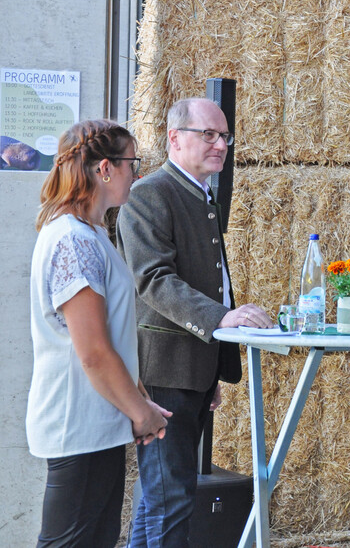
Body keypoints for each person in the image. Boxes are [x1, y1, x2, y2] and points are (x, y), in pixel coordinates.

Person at [117, 98, 275, 547]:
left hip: (192, 369)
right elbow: (153, 279)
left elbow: (212, 281)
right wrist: (223, 319)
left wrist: (215, 362)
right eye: (208, 134)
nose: (220, 145)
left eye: (224, 136)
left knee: (160, 498)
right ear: (174, 138)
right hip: (165, 369)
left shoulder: (200, 194)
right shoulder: (151, 193)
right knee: (172, 499)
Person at [27, 119, 171, 547]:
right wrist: (139, 411)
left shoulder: (90, 233)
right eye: (133, 164)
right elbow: (91, 350)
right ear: (104, 169)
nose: (138, 174)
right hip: (80, 423)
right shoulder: (74, 240)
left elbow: (111, 336)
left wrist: (137, 397)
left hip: (96, 421)